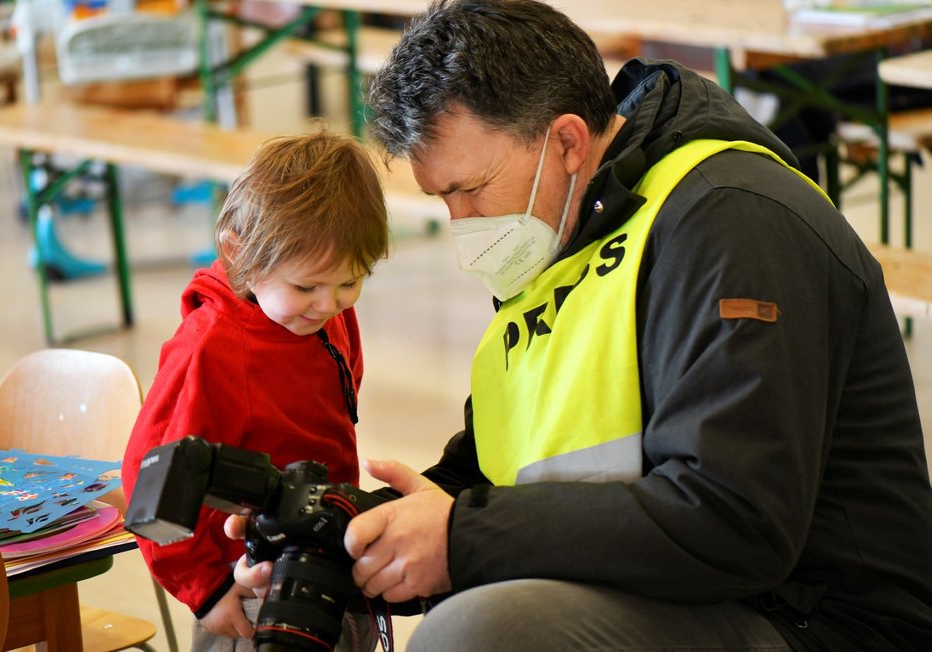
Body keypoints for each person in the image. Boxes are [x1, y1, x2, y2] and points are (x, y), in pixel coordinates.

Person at [229, 1, 932, 650]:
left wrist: (460, 540)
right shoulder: (570, 226)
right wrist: (344, 534)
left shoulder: (733, 222)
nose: (461, 224)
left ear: (566, 140)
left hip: (813, 620)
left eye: (469, 190)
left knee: (478, 635)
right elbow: (494, 473)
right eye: (442, 199)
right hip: (680, 592)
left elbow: (734, 521)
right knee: (268, 615)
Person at [122, 130, 389, 651]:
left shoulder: (327, 314)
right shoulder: (211, 350)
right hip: (250, 590)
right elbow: (149, 480)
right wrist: (205, 588)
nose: (329, 305)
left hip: (327, 562)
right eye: (306, 287)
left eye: (350, 282)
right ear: (239, 252)